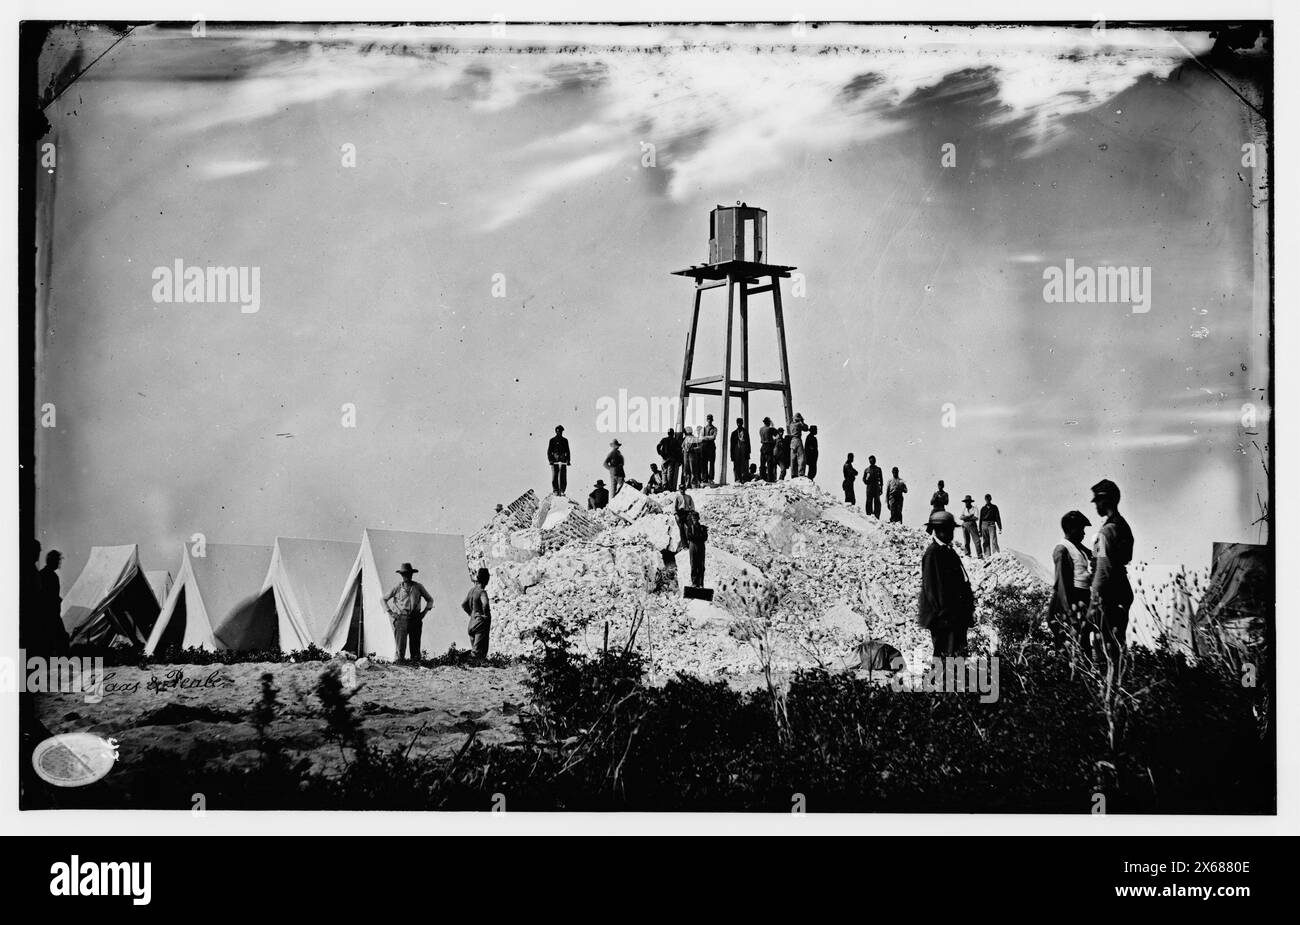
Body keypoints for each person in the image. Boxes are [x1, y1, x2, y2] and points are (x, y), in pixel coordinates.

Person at [1086, 479, 1135, 663]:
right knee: (1117, 645)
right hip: (1122, 590)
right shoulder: (1124, 527)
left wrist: (1093, 603)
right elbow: (1126, 558)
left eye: (1097, 501)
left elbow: (1102, 571)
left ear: (1104, 501)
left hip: (1108, 597)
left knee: (1104, 652)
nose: (1096, 505)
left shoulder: (1104, 533)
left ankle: (1107, 688)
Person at [917, 511, 975, 658]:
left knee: (958, 656)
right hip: (944, 619)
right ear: (938, 530)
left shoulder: (948, 551)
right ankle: (941, 681)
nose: (950, 533)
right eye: (946, 529)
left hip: (956, 616)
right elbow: (932, 589)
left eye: (950, 529)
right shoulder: (933, 553)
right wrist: (943, 615)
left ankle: (955, 681)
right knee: (945, 656)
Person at [1050, 510, 1095, 651]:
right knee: (1070, 649)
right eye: (1080, 529)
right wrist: (1070, 614)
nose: (1083, 533)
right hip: (1070, 603)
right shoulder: (1062, 550)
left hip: (1080, 602)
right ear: (1071, 529)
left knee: (1083, 644)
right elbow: (1062, 585)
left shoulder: (1076, 548)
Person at [383, 562, 433, 661]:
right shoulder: (397, 587)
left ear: (412, 574)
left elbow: (430, 599)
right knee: (400, 649)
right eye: (404, 574)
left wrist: (424, 613)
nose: (407, 576)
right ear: (401, 575)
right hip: (401, 619)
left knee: (415, 648)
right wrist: (391, 613)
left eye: (409, 574)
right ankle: (399, 668)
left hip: (415, 618)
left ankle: (415, 669)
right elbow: (383, 599)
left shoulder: (418, 587)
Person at [37, 549, 68, 656]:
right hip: (51, 615)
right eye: (58, 560)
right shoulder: (51, 576)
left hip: (48, 614)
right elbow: (48, 596)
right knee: (61, 639)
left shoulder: (42, 574)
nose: (59, 563)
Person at [461, 567, 492, 658]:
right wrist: (485, 615)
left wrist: (471, 614)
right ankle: (460, 659)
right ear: (486, 579)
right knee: (478, 653)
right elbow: (485, 604)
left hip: (472, 623)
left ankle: (459, 659)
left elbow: (463, 604)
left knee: (475, 650)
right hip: (480, 624)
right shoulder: (482, 592)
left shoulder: (472, 591)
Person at [686, 510, 709, 587]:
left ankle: (701, 583)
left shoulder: (703, 528)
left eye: (695, 518)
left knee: (701, 566)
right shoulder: (689, 528)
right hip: (693, 547)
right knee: (693, 565)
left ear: (698, 519)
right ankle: (694, 583)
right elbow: (689, 537)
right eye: (693, 519)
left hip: (700, 547)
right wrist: (699, 538)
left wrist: (695, 538)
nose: (694, 520)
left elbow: (704, 537)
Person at [546, 425, 570, 496]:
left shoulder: (565, 440)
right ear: (556, 431)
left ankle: (562, 490)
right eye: (558, 431)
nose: (559, 432)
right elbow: (549, 451)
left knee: (563, 475)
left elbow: (568, 451)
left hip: (563, 460)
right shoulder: (552, 440)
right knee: (555, 475)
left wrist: (568, 460)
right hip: (555, 460)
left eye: (561, 431)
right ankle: (555, 490)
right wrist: (550, 460)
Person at [674, 485, 696, 550]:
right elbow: (674, 507)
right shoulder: (677, 497)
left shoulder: (688, 497)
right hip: (680, 513)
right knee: (681, 528)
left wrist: (691, 512)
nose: (682, 490)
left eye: (683, 489)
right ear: (679, 489)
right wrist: (676, 515)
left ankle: (691, 542)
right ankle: (684, 545)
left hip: (687, 513)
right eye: (681, 489)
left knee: (690, 526)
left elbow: (692, 506)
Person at [730, 417, 751, 484]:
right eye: (738, 423)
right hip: (736, 451)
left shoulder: (745, 432)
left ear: (742, 423)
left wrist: (748, 452)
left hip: (743, 450)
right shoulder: (734, 433)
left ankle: (743, 479)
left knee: (743, 465)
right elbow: (732, 445)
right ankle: (737, 479)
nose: (739, 424)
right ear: (737, 423)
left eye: (740, 423)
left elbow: (748, 442)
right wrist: (732, 455)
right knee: (736, 465)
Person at [788, 413, 808, 478]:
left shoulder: (791, 424)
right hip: (798, 440)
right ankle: (801, 473)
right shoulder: (799, 424)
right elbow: (806, 428)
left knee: (793, 458)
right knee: (801, 457)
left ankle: (793, 473)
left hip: (792, 441)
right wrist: (802, 421)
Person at [701, 414, 718, 484]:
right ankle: (704, 479)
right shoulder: (703, 428)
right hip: (704, 447)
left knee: (711, 463)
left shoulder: (714, 429)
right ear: (707, 420)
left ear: (712, 420)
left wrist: (706, 438)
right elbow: (701, 437)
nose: (709, 420)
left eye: (710, 419)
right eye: (708, 419)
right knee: (704, 463)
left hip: (711, 447)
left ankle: (711, 478)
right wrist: (708, 438)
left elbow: (713, 437)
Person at [758, 417, 775, 481]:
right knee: (769, 463)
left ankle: (762, 477)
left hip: (763, 446)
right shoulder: (770, 429)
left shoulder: (761, 429)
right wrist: (772, 425)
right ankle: (770, 478)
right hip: (769, 446)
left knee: (762, 463)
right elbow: (776, 434)